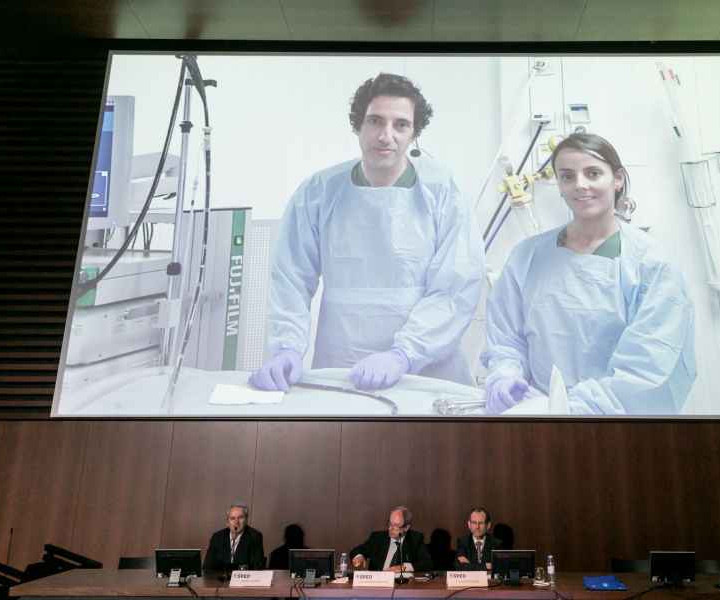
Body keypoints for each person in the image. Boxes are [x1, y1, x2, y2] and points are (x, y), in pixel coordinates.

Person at [250, 72, 484, 392]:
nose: (386, 136)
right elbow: (290, 278)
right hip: (342, 360)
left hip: (426, 369)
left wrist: (404, 354)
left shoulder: (443, 192)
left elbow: (455, 288)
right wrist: (287, 348)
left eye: (401, 125)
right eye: (375, 121)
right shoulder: (319, 192)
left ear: (414, 133)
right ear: (358, 125)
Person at [481, 132, 696, 415]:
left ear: (617, 179)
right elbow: (506, 338)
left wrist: (573, 409)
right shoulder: (527, 257)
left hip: (616, 422)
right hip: (538, 413)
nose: (580, 185)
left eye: (593, 173)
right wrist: (506, 376)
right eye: (567, 176)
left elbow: (649, 367)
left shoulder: (652, 265)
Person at [350, 506, 433, 573]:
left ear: (406, 527)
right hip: (377, 583)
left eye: (396, 525)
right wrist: (359, 557)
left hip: (402, 585)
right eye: (390, 524)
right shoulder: (378, 538)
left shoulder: (415, 539)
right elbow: (357, 550)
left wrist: (404, 567)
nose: (390, 528)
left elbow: (427, 563)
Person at [203, 504, 266, 572]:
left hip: (243, 578)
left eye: (240, 518)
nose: (236, 522)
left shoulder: (255, 537)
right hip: (220, 577)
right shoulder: (217, 537)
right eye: (232, 518)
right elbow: (207, 566)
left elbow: (257, 567)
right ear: (227, 522)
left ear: (246, 520)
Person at [455, 507, 502, 571]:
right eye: (474, 523)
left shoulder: (496, 544)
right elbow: (460, 567)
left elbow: (498, 568)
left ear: (488, 525)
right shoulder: (463, 542)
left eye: (481, 523)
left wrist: (470, 565)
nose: (477, 527)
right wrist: (485, 566)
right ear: (469, 525)